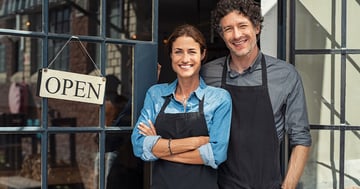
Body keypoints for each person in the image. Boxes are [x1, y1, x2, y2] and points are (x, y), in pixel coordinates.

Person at [200, 0, 312, 189]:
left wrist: (288, 187)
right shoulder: (207, 73)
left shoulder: (285, 75)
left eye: (243, 26)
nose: (237, 35)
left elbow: (301, 138)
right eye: (228, 29)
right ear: (222, 34)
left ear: (257, 27)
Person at [131, 24, 232, 189]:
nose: (185, 59)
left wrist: (160, 149)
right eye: (178, 51)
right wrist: (196, 142)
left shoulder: (219, 98)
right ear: (171, 55)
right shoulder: (156, 94)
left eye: (192, 52)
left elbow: (216, 154)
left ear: (202, 54)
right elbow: (139, 145)